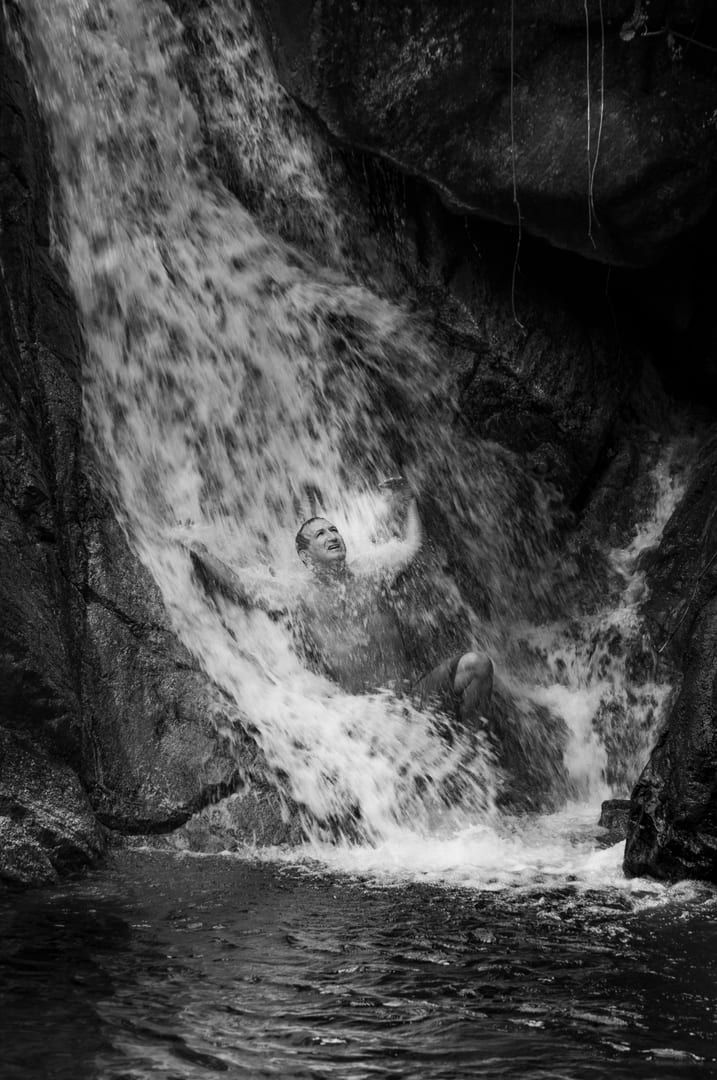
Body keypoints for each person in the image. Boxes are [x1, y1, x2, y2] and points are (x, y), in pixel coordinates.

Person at [189, 480, 493, 732]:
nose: (331, 536)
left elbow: (411, 546)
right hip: (363, 719)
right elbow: (239, 586)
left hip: (412, 701)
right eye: (320, 534)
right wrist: (197, 546)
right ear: (306, 556)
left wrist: (409, 498)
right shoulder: (296, 592)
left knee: (477, 665)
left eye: (333, 530)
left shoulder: (372, 569)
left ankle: (469, 756)